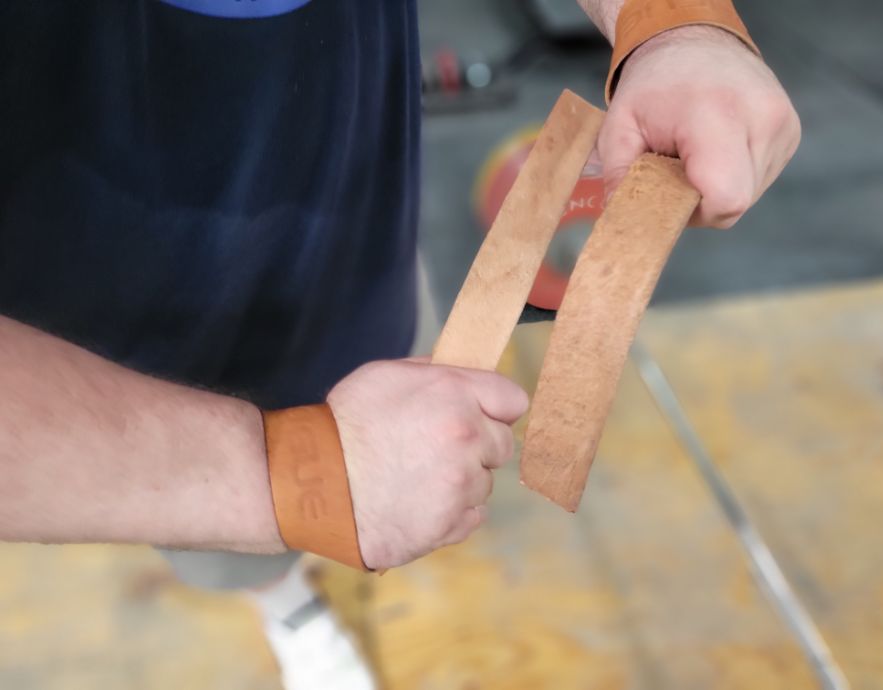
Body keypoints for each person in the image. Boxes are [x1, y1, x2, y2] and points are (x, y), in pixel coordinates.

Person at [0, 1, 800, 688]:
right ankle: (289, 606)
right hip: (105, 370)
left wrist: (670, 25)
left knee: (402, 400)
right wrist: (288, 476)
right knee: (237, 552)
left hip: (363, 257)